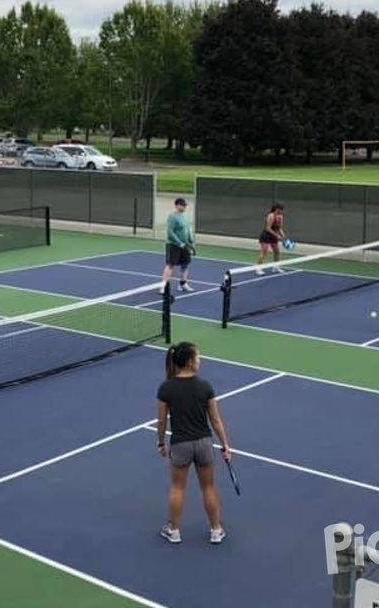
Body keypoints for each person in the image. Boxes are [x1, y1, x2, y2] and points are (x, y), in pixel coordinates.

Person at [155, 342, 231, 545]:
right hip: (204, 444)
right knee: (208, 487)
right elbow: (215, 420)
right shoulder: (205, 386)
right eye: (198, 357)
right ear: (190, 362)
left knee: (178, 488)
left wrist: (161, 442)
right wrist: (225, 445)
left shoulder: (166, 388)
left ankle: (174, 531)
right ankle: (216, 530)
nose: (200, 360)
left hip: (181, 445)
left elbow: (162, 421)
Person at [160, 197, 194, 294]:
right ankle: (163, 286)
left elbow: (187, 230)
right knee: (170, 265)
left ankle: (183, 284)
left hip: (185, 246)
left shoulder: (185, 217)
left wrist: (190, 241)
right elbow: (170, 232)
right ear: (177, 205)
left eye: (185, 205)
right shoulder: (172, 217)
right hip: (173, 245)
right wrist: (179, 243)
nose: (184, 207)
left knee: (185, 265)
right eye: (182, 205)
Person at [254, 203, 286, 275]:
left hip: (274, 235)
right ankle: (258, 269)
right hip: (266, 235)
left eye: (282, 210)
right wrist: (277, 236)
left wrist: (283, 236)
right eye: (280, 210)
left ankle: (276, 267)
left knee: (277, 252)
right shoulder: (271, 216)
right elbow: (268, 228)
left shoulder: (281, 217)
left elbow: (279, 228)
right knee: (264, 252)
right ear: (276, 209)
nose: (281, 211)